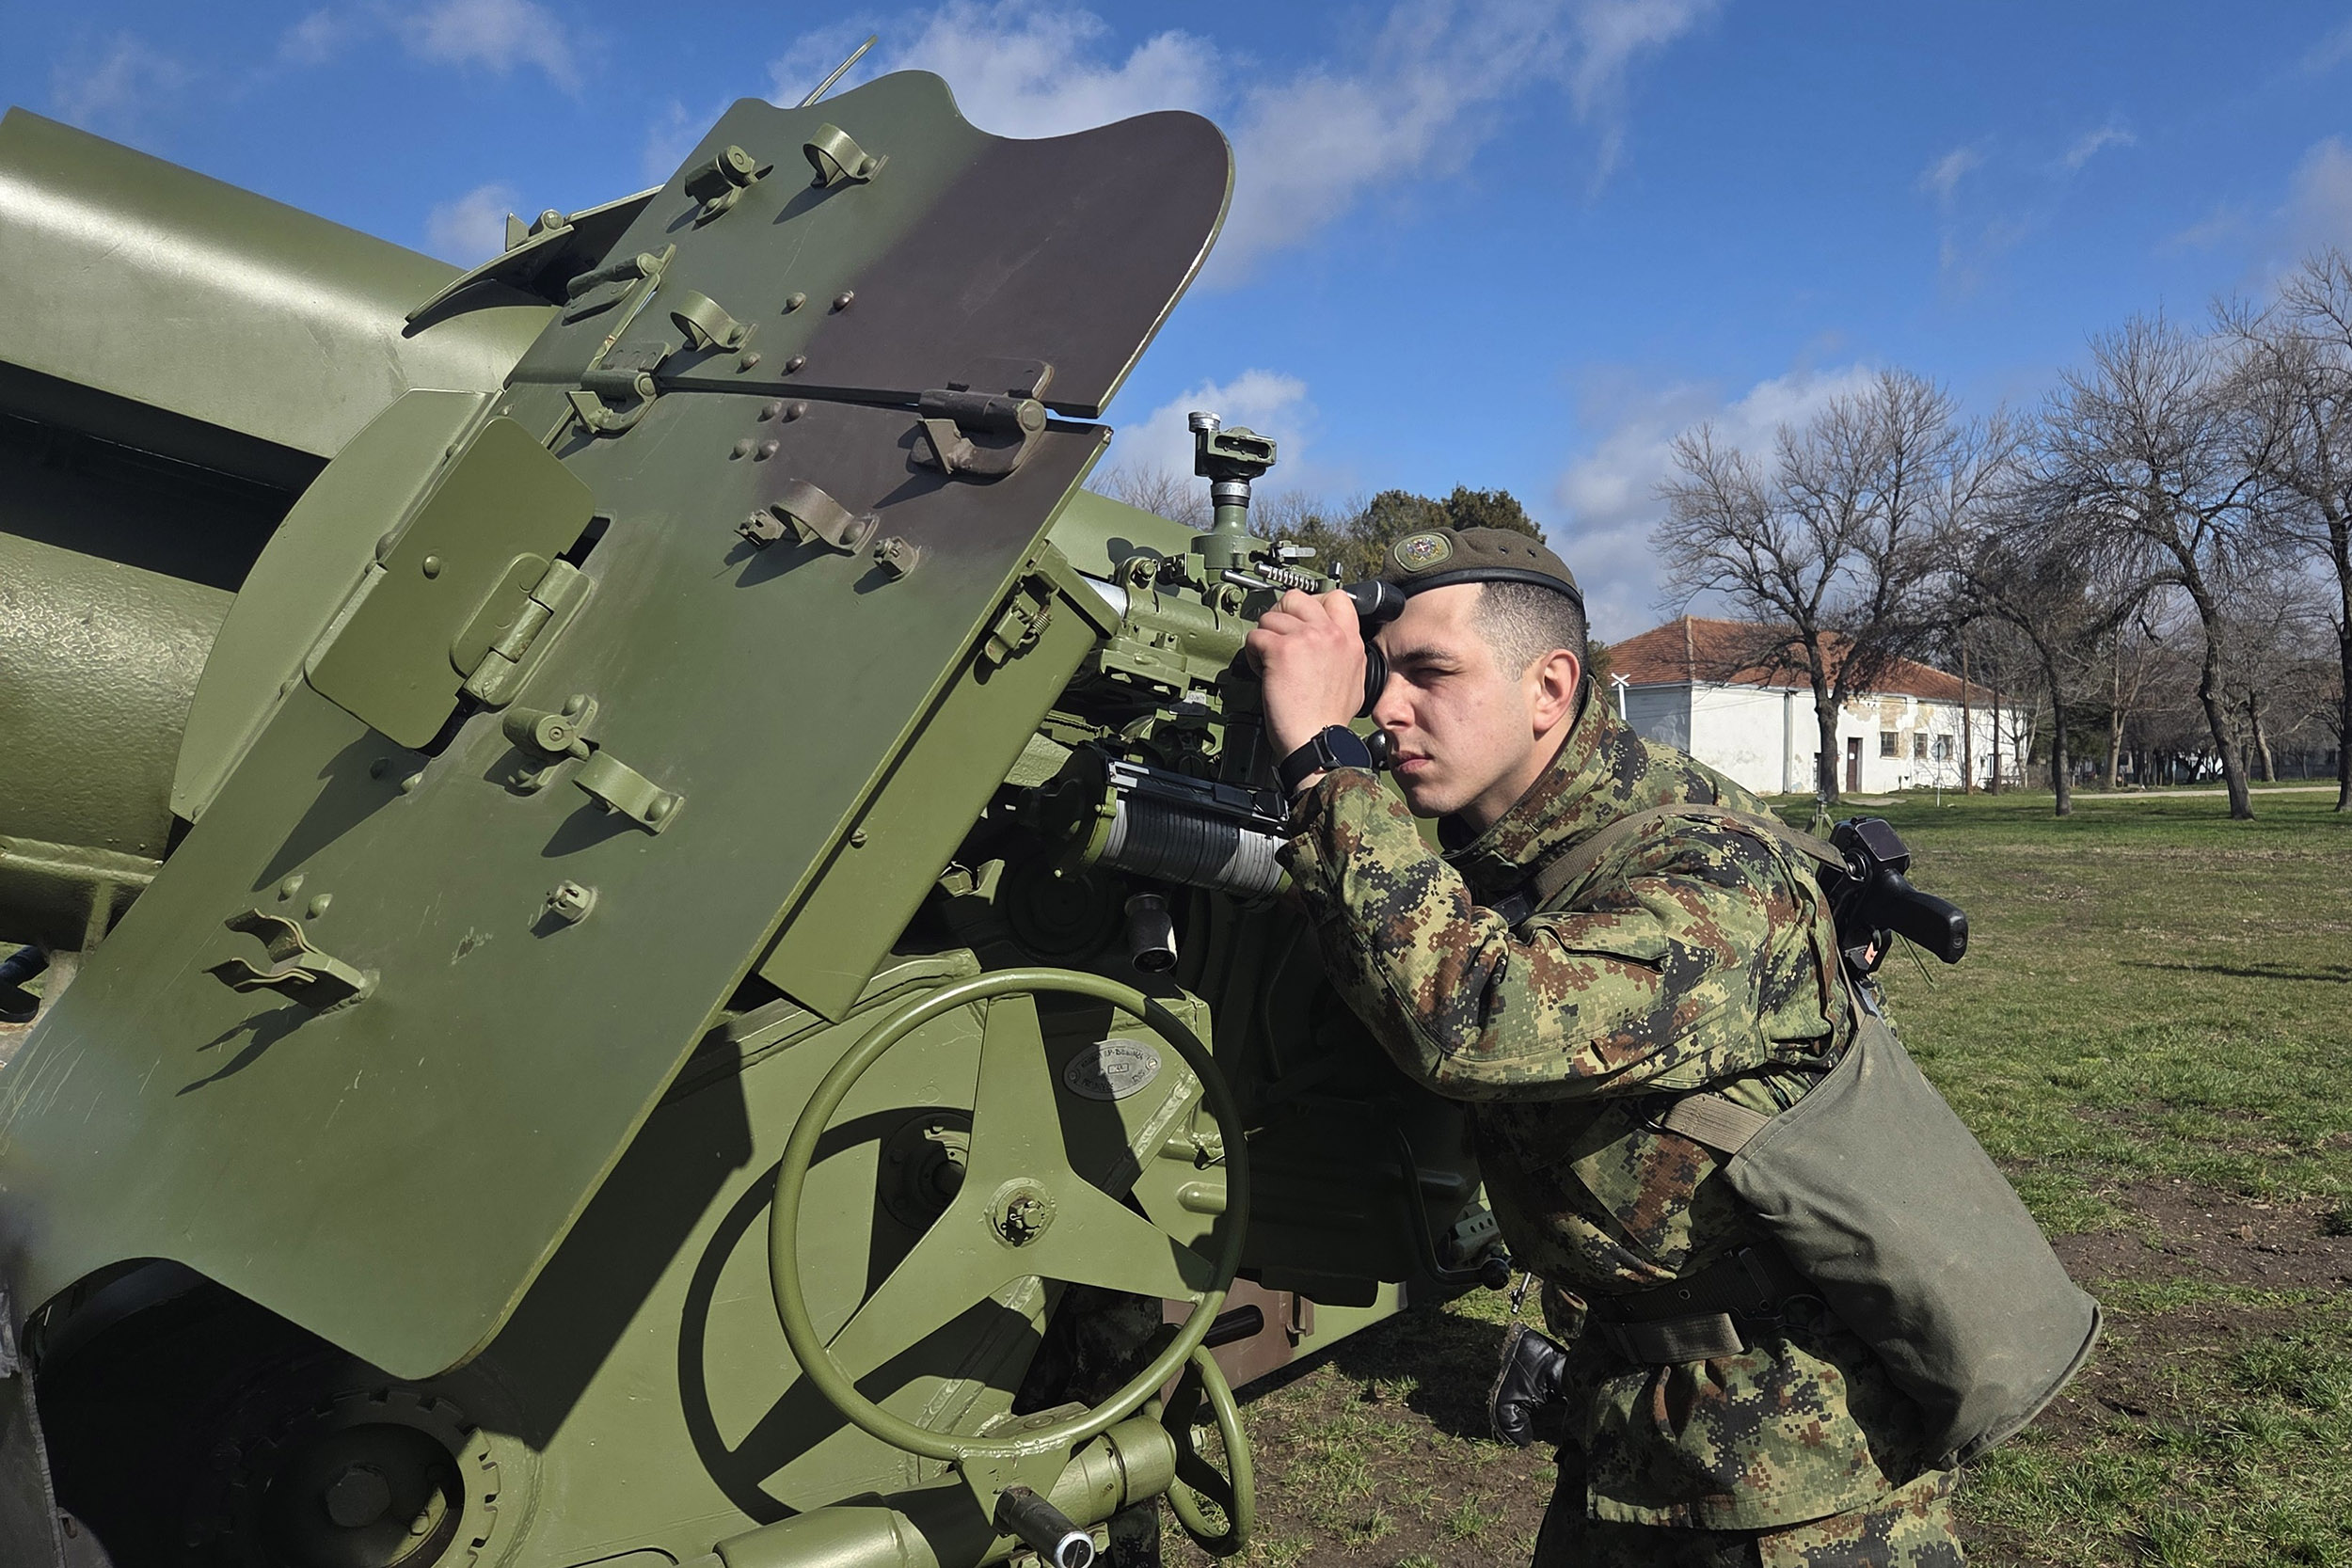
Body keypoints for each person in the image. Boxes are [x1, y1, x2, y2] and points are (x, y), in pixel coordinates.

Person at [1244, 527, 1963, 1566]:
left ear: (1549, 687)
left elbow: (1477, 1020)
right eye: (1376, 676)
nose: (1386, 710)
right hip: (1643, 1428)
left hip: (1801, 1475)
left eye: (1429, 674)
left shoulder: (1711, 868)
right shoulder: (1518, 841)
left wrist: (1322, 761)